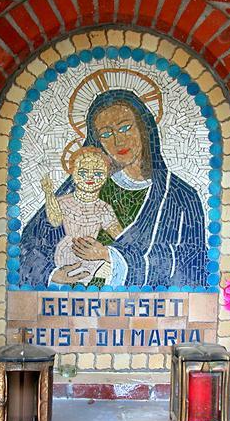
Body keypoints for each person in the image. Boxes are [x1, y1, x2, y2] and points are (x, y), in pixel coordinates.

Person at [19, 89, 208, 288]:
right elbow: (30, 245)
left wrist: (109, 256)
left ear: (143, 128)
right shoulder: (86, 186)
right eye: (106, 134)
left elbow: (192, 263)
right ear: (97, 141)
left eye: (125, 127)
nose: (118, 141)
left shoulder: (180, 197)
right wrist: (53, 274)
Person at [41, 146, 123, 285]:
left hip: (94, 255)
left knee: (116, 273)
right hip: (67, 253)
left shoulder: (104, 208)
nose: (90, 177)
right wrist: (49, 193)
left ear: (105, 176)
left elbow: (120, 236)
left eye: (98, 173)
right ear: (73, 172)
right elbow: (55, 220)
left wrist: (105, 253)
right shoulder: (63, 201)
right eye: (83, 172)